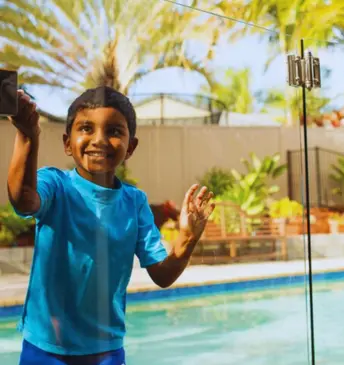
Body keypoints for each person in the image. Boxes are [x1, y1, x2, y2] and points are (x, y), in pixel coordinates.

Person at [7, 86, 215, 365]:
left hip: (106, 352)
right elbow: (23, 200)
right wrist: (27, 135)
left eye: (114, 131)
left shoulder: (135, 202)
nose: (99, 140)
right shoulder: (55, 185)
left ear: (131, 147)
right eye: (86, 128)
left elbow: (162, 275)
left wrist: (188, 237)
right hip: (45, 349)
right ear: (68, 143)